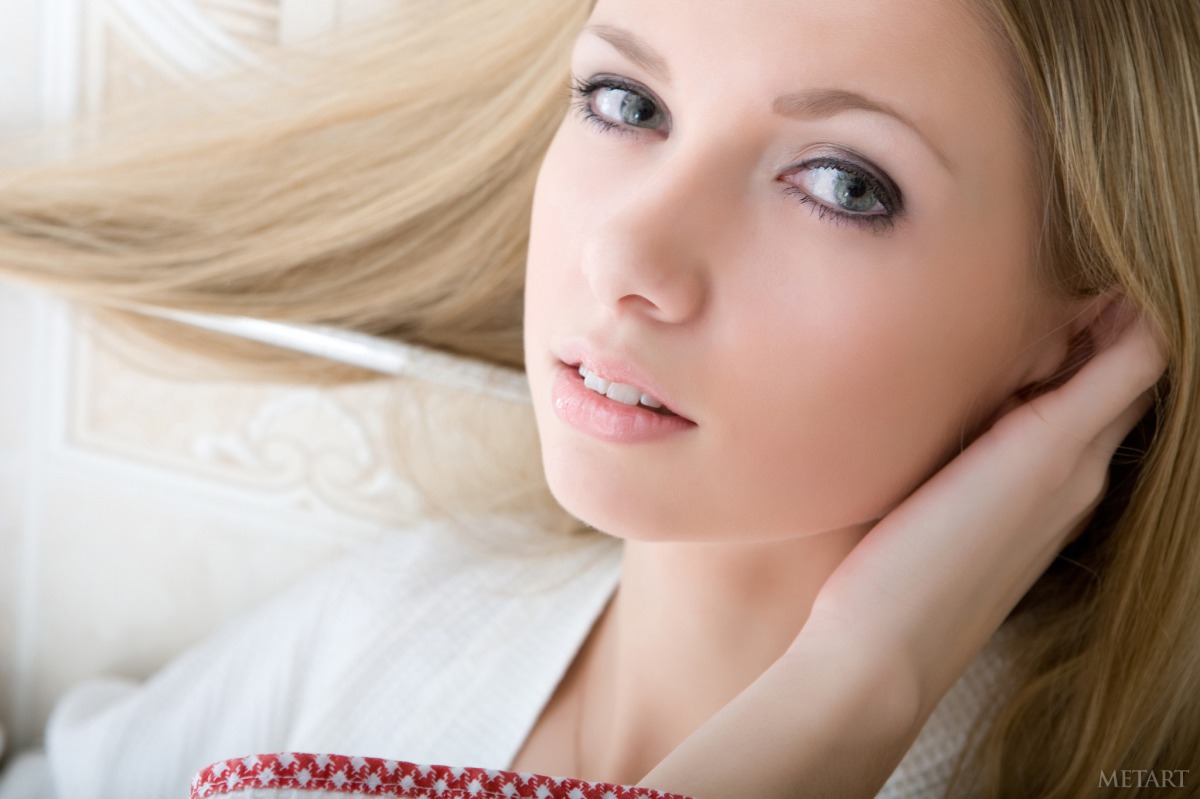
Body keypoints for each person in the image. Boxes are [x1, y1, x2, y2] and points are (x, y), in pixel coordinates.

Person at [0, 0, 1192, 796]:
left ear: (1084, 332)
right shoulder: (407, 618)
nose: (627, 255)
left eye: (840, 183)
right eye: (628, 104)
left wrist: (853, 701)